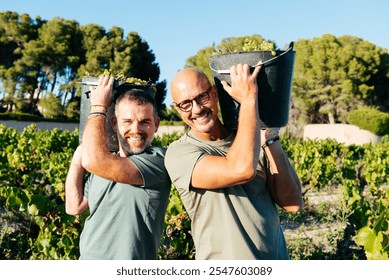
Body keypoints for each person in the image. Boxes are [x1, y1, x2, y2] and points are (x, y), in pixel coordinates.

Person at [164, 65, 303, 260]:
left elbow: (293, 203)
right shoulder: (179, 153)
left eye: (201, 97)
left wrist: (269, 138)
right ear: (177, 109)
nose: (196, 109)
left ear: (214, 93)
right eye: (185, 104)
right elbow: (241, 169)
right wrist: (248, 100)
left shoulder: (251, 139)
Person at [65, 76, 171, 260]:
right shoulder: (105, 164)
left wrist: (98, 107)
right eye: (127, 121)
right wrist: (76, 161)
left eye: (145, 122)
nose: (136, 129)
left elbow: (93, 161)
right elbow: (74, 206)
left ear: (156, 125)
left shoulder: (158, 161)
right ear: (114, 123)